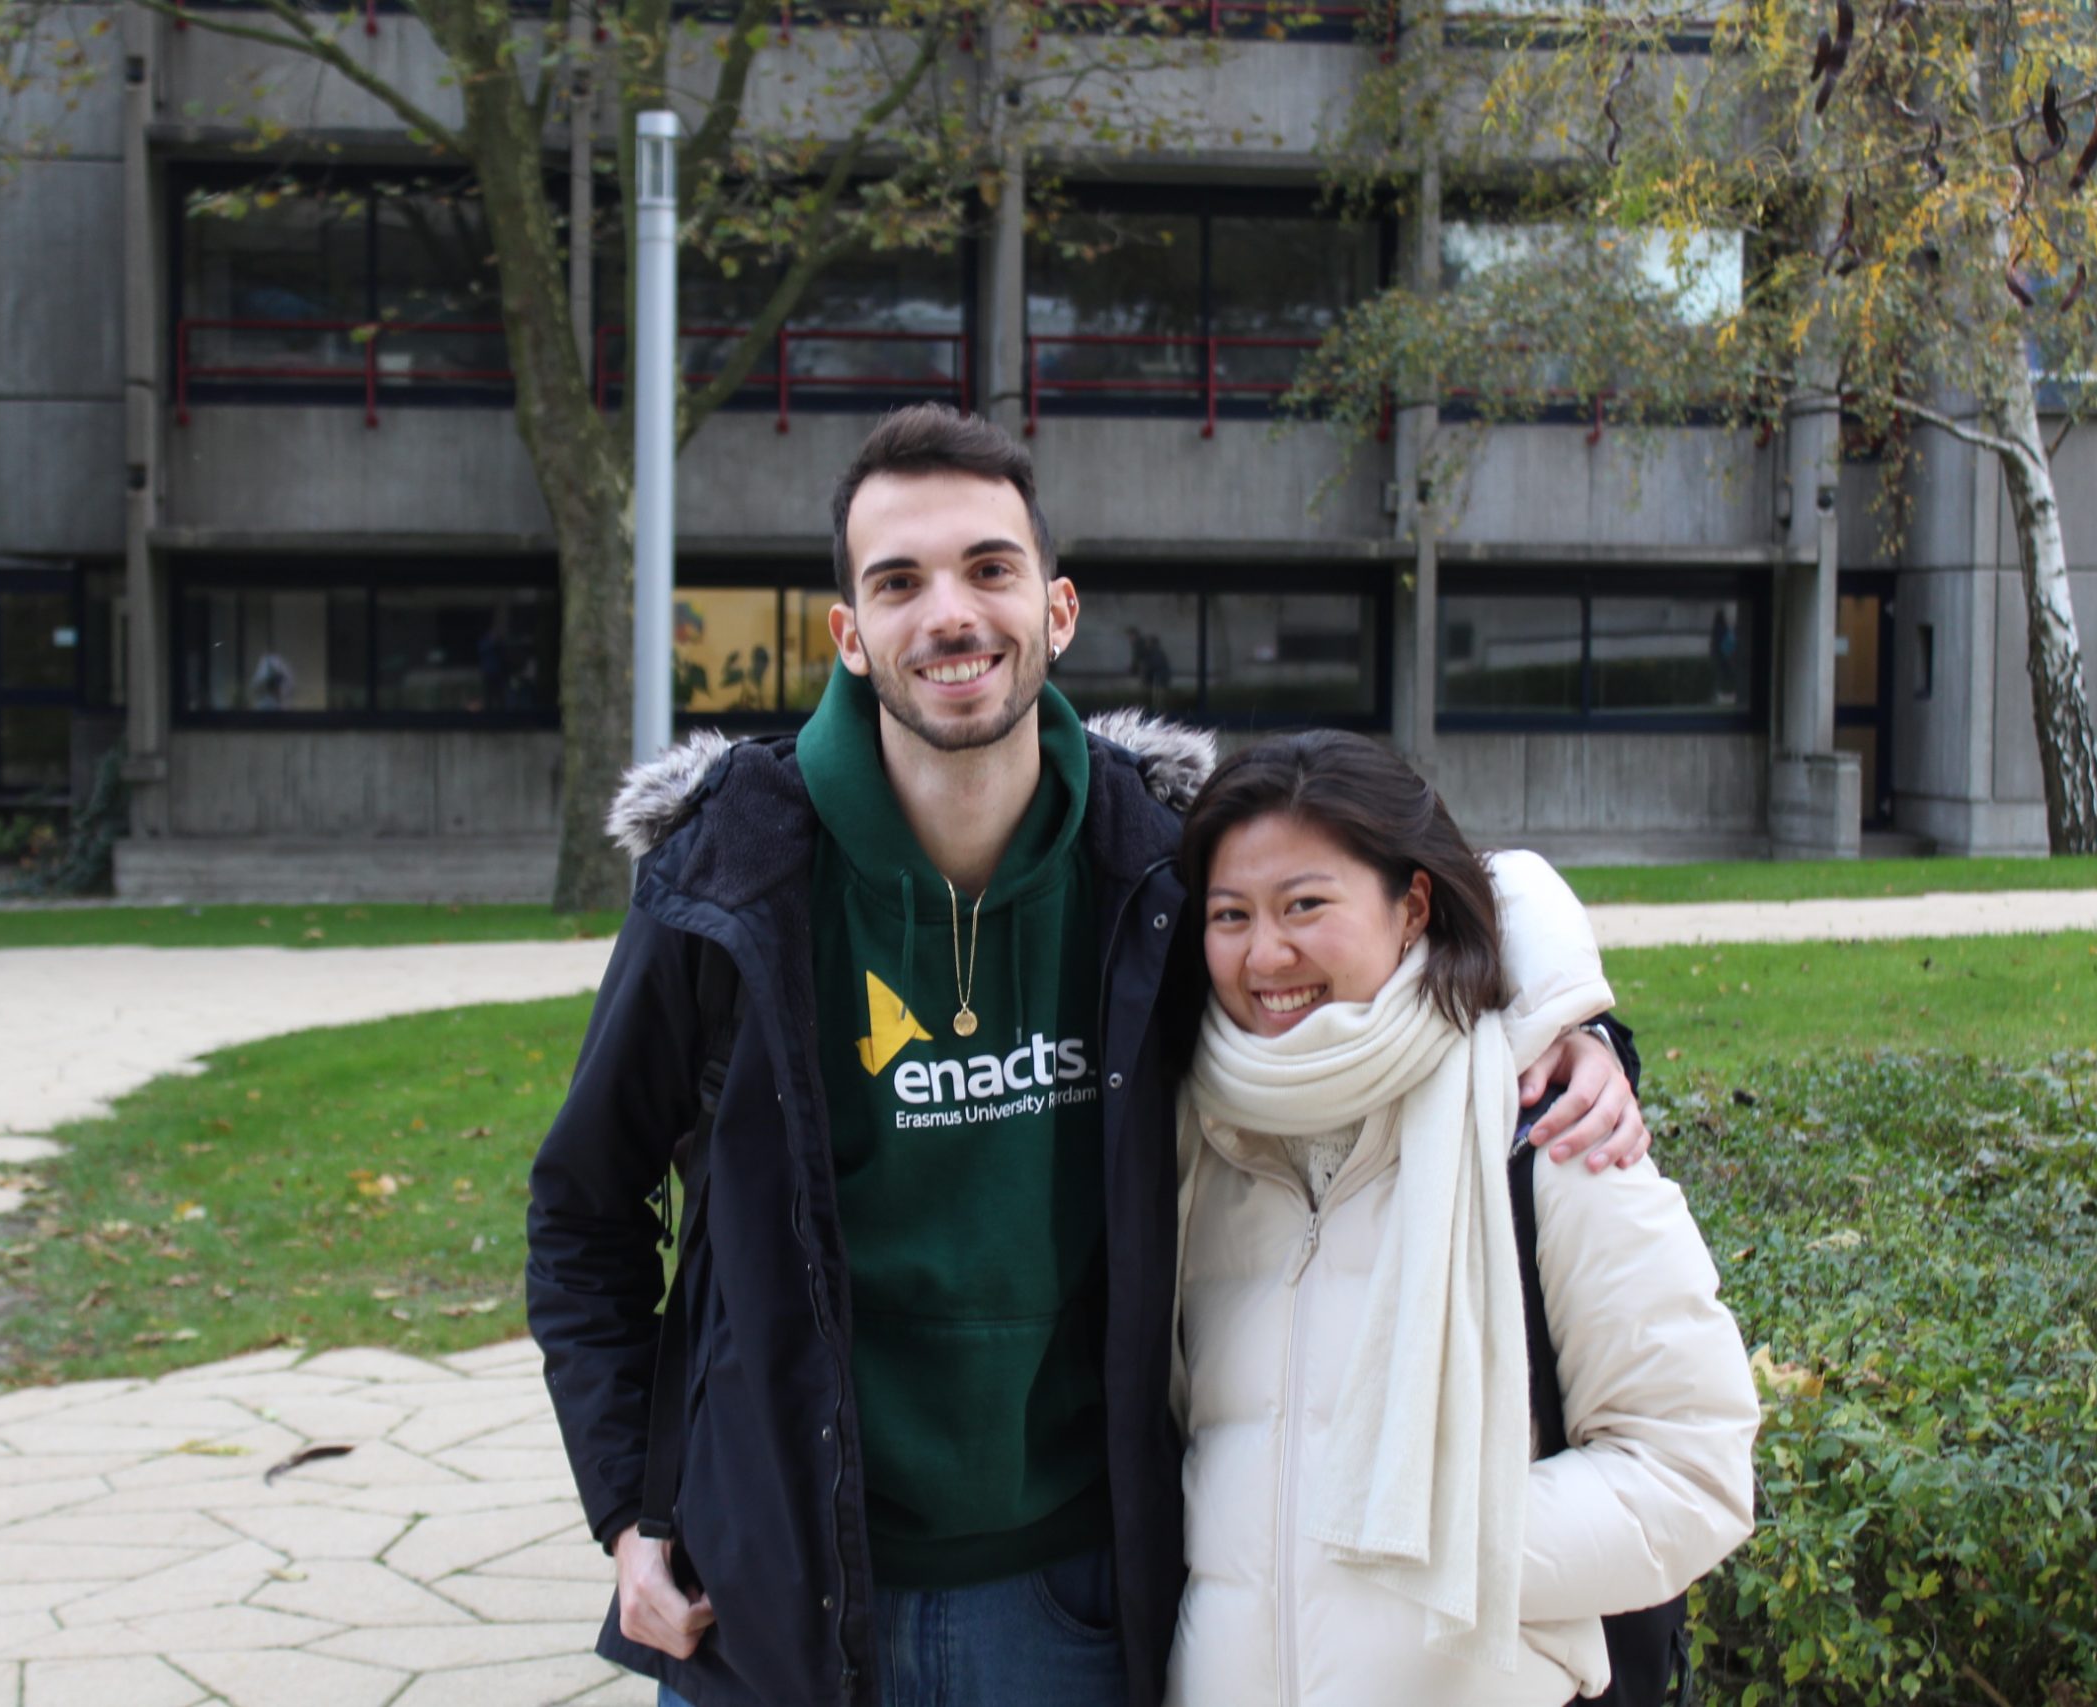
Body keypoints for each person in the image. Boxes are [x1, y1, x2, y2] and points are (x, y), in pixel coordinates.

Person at [525, 403, 1652, 1707]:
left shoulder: (1156, 864)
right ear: (849, 634)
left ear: (1056, 610)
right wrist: (632, 1503)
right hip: (776, 1583)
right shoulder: (731, 873)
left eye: (988, 568)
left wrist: (1574, 1019)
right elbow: (585, 1207)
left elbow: (1391, 902)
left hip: (1069, 1597)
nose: (950, 614)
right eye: (899, 582)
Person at [1167, 730, 1761, 1707]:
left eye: (1305, 905)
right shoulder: (1200, 1146)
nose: (1265, 953)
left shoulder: (1544, 1128)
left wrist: (1441, 1541)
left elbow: (1693, 1466)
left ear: (1411, 907)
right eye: (1230, 914)